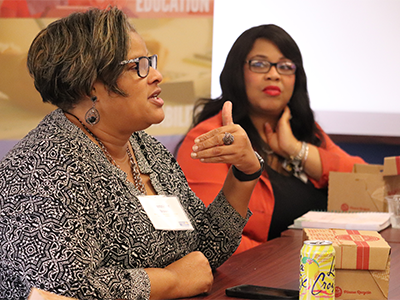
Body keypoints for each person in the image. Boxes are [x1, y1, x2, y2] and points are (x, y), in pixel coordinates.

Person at [0, 7, 263, 300]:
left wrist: (244, 172)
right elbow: (60, 291)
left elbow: (202, 255)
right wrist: (173, 281)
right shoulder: (42, 169)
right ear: (90, 84)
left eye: (151, 62)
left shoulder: (144, 148)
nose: (157, 75)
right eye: (138, 65)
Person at [177, 24, 366, 254]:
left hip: (318, 269)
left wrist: (296, 149)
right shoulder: (212, 137)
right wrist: (289, 259)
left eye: (285, 66)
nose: (274, 74)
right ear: (237, 72)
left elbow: (365, 184)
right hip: (264, 277)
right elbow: (208, 235)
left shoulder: (302, 129)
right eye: (259, 64)